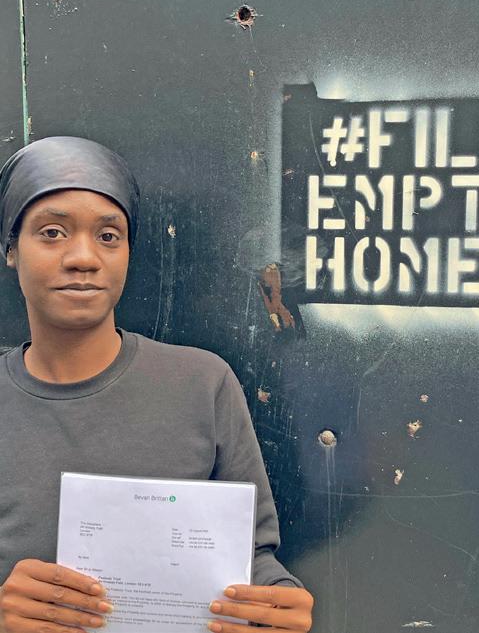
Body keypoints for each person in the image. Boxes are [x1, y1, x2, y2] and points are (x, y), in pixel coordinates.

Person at [0, 137, 313, 633]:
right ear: (11, 249)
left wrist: (278, 605)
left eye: (108, 235)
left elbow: (251, 558)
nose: (83, 258)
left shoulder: (202, 384)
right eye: (52, 232)